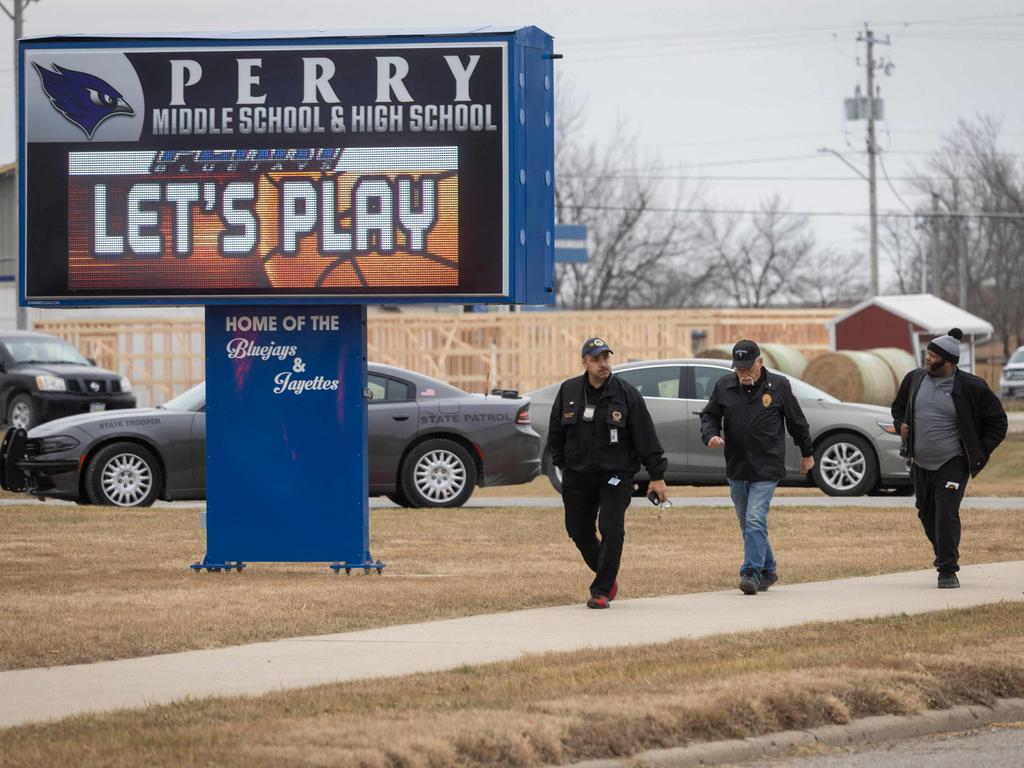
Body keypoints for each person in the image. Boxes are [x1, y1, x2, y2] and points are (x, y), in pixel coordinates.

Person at [547, 337, 669, 609]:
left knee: (611, 528)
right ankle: (608, 573)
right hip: (578, 476)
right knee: (577, 530)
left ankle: (601, 589)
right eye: (596, 359)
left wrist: (656, 475)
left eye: (606, 358)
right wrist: (564, 464)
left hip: (616, 475)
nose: (603, 364)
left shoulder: (626, 394)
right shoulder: (569, 391)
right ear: (585, 362)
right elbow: (556, 435)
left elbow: (646, 437)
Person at [891, 328, 1007, 588]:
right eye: (928, 354)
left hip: (953, 462)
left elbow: (998, 422)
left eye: (934, 356)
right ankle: (943, 552)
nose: (928, 359)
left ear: (950, 362)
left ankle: (947, 570)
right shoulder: (914, 379)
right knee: (926, 513)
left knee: (946, 513)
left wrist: (978, 451)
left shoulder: (971, 386)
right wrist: (901, 424)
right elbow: (898, 407)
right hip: (920, 461)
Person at [700, 339, 815, 595]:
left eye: (748, 368)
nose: (743, 374)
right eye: (739, 369)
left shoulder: (779, 386)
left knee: (754, 519)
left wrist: (808, 454)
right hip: (737, 465)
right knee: (748, 523)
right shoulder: (724, 386)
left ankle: (750, 572)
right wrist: (710, 434)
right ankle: (769, 569)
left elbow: (797, 423)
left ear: (760, 362)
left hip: (767, 465)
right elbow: (709, 415)